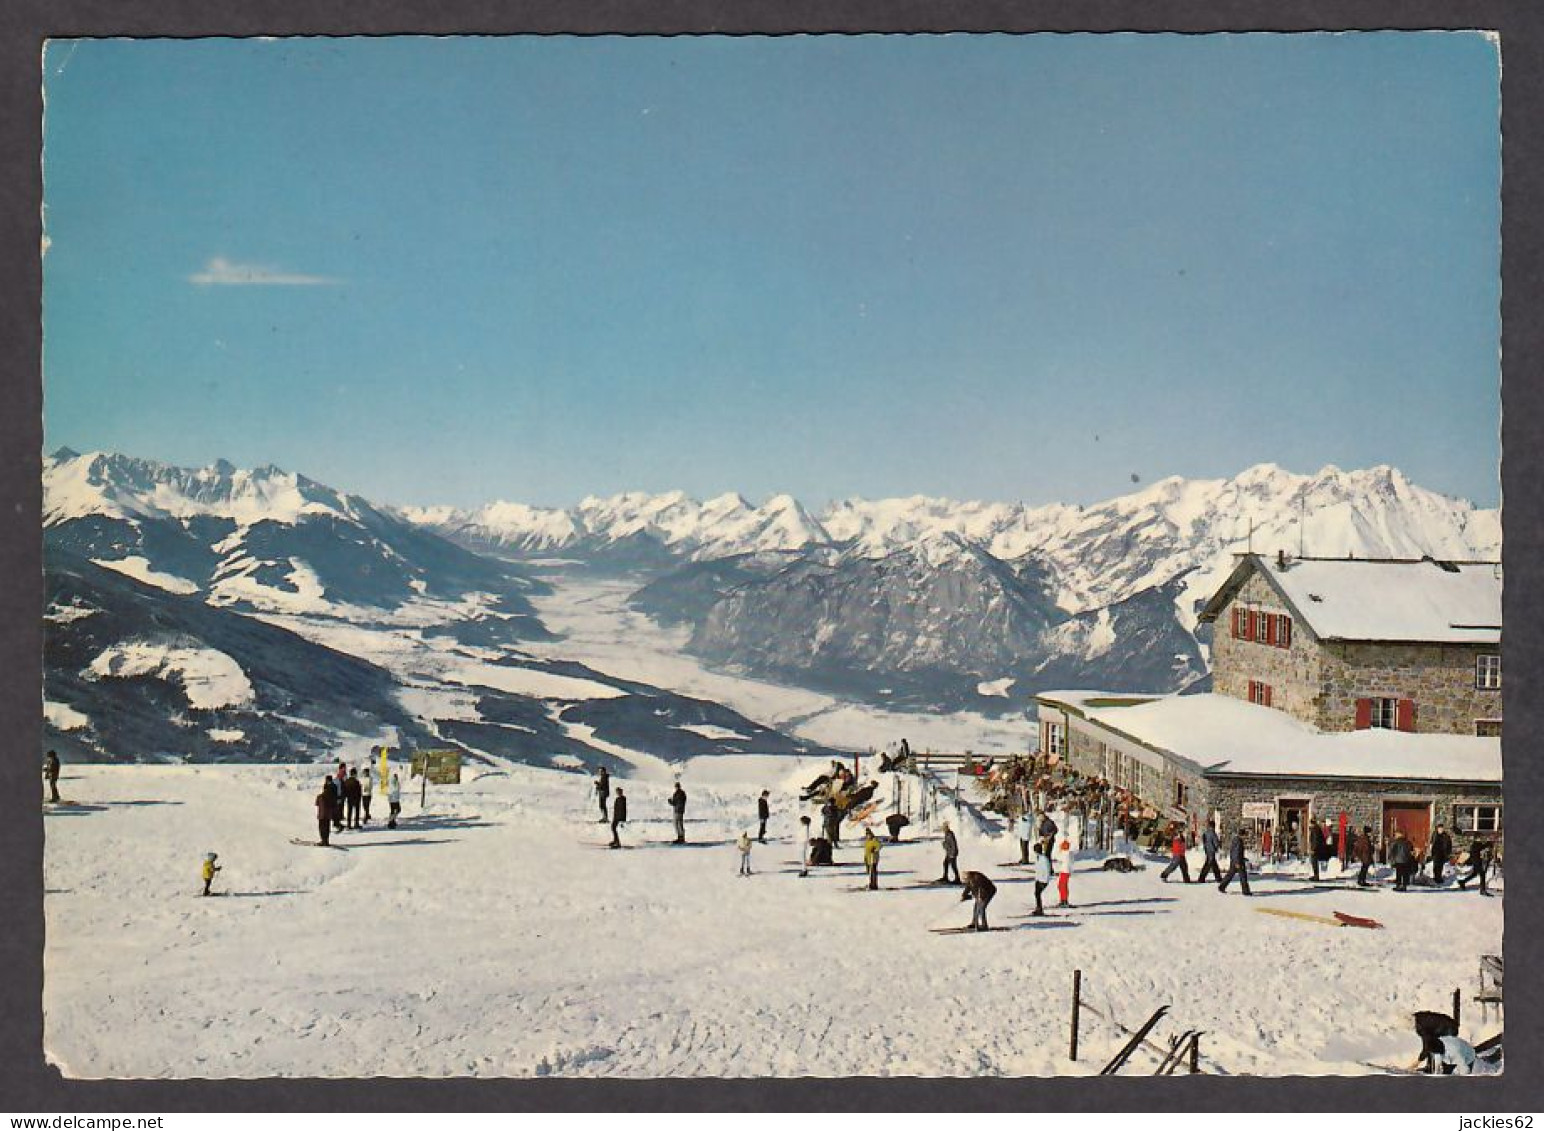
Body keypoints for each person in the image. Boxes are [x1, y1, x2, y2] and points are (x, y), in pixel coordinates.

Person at [1218, 827, 1251, 895]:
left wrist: (1242, 858)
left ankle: (1222, 886)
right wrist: (1237, 862)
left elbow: (1235, 852)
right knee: (1243, 876)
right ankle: (1246, 891)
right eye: (1245, 835)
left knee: (1230, 875)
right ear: (1242, 835)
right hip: (1238, 862)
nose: (1245, 837)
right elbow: (1236, 852)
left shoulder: (1235, 839)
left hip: (1235, 861)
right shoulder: (1238, 841)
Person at [1053, 834, 1074, 906]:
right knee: (1063, 885)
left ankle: (1064, 900)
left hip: (1064, 871)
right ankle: (1064, 899)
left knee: (1062, 885)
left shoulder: (1065, 854)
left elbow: (1057, 857)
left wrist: (1059, 850)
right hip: (1066, 871)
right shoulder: (1069, 853)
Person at [1032, 842, 1052, 915]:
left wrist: (1045, 880)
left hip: (1043, 880)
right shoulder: (1038, 858)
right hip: (1038, 879)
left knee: (1037, 894)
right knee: (1037, 894)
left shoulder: (1044, 859)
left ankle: (1039, 909)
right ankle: (1038, 908)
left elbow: (1047, 870)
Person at [315, 777, 335, 846]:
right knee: (327, 827)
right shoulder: (331, 793)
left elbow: (317, 803)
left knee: (322, 827)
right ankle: (326, 841)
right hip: (328, 813)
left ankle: (323, 841)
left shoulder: (321, 796)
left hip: (322, 814)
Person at [940, 820, 961, 884]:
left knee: (953, 866)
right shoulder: (947, 834)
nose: (943, 830)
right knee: (945, 863)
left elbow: (953, 844)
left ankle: (957, 878)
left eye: (944, 828)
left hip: (952, 853)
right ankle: (945, 877)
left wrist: (953, 853)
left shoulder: (950, 834)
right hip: (949, 852)